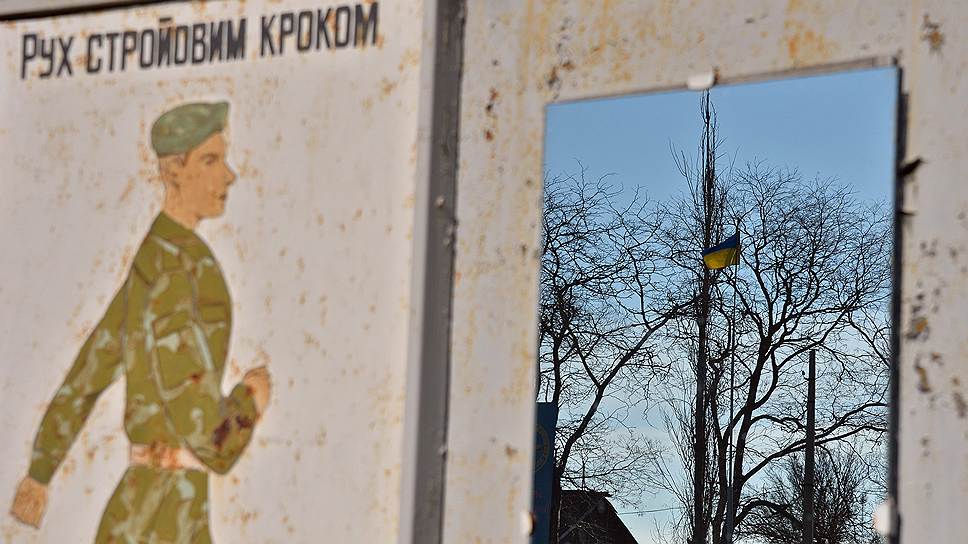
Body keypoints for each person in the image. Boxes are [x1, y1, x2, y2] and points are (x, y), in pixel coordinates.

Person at [9, 101, 271, 543]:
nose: (229, 175)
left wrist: (41, 470)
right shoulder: (173, 268)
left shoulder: (158, 258)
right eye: (210, 161)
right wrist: (250, 400)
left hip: (156, 507)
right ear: (173, 171)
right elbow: (209, 438)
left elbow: (90, 370)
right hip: (161, 512)